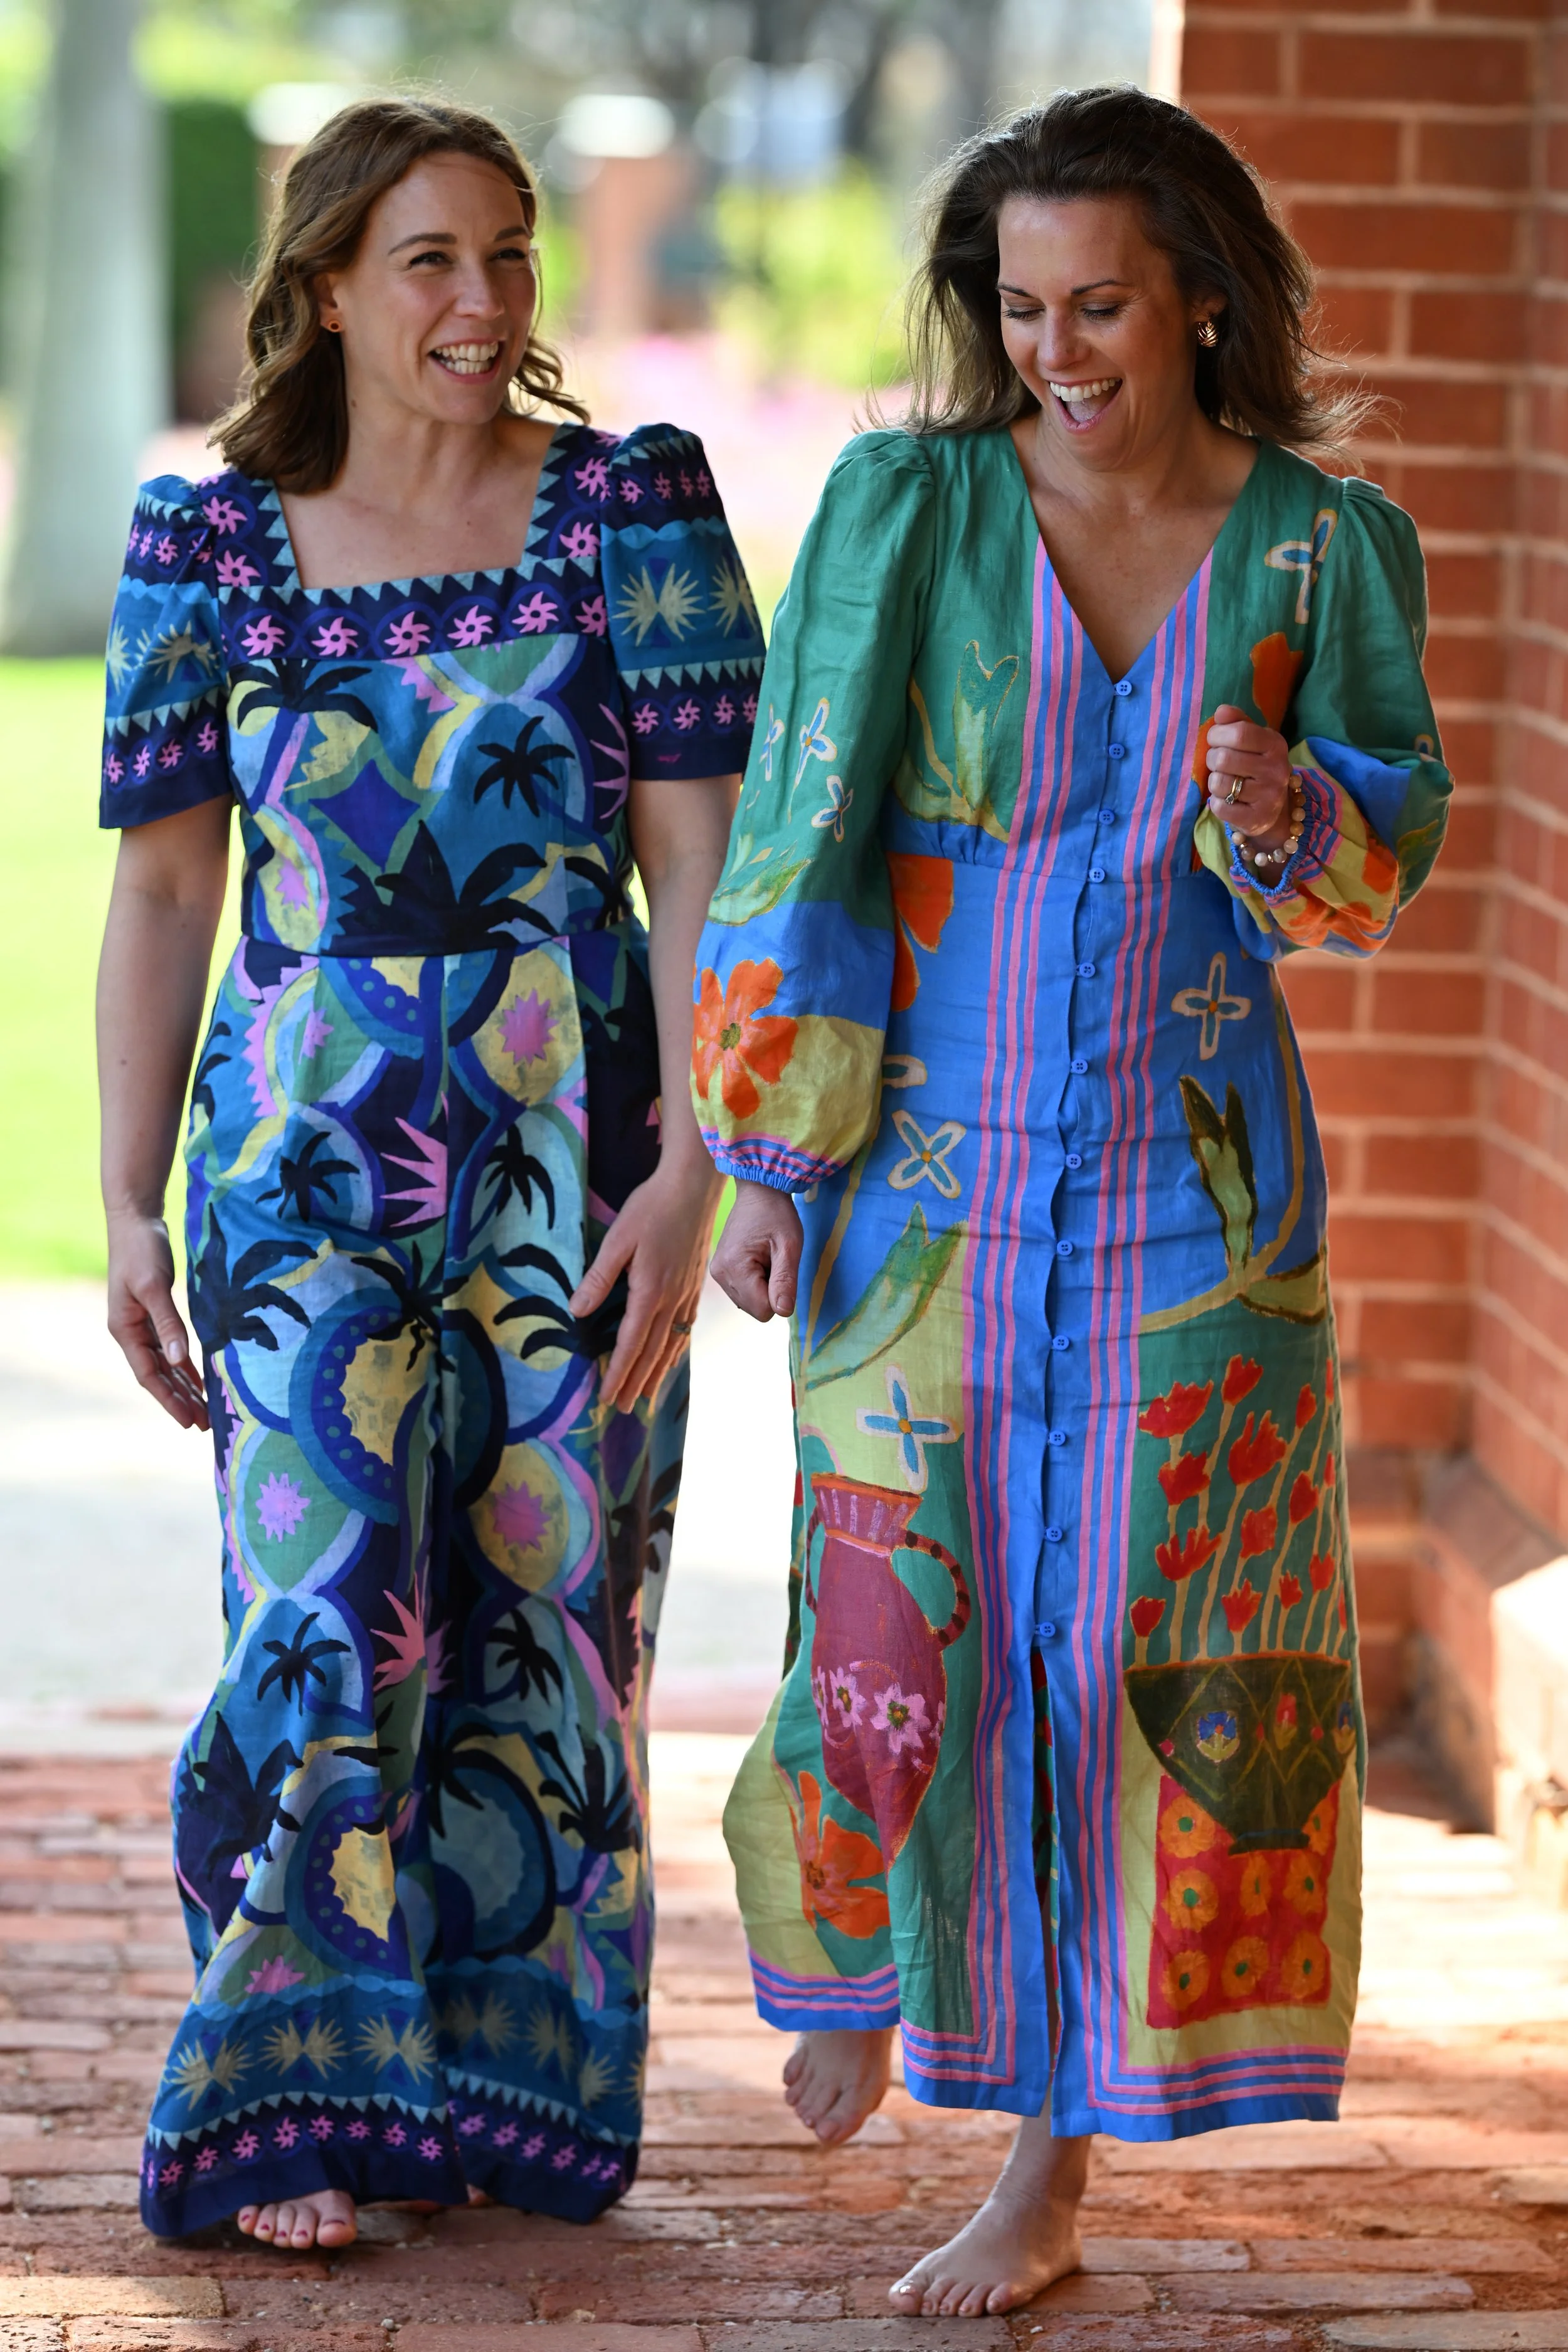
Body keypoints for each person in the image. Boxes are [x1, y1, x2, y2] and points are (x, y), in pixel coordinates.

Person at [696, 87, 1449, 2319]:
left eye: (1098, 305)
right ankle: (861, 1957)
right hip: (920, 1180)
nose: (1055, 350)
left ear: (1198, 298)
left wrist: (1287, 802)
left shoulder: (1319, 549)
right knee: (901, 1597)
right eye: (1019, 308)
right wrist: (766, 1150)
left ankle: (1048, 2155)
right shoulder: (908, 512)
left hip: (1193, 1198)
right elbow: (803, 826)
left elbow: (1376, 874)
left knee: (1139, 1641)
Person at [97, 95, 762, 2250]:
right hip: (299, 1169)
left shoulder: (630, 512)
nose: (483, 302)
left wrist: (698, 1166)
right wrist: (127, 1197)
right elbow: (167, 888)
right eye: (429, 261)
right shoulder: (205, 542)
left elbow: (704, 868)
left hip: (582, 1159)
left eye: (508, 254)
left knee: (545, 1622)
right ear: (323, 289)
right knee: (317, 1622)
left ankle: (488, 2074)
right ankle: (289, 2091)